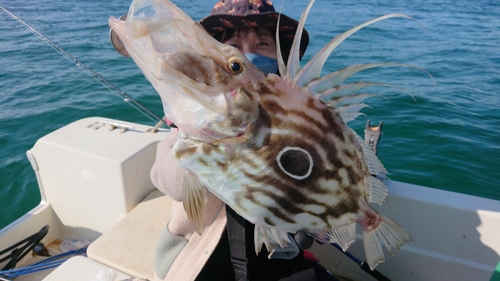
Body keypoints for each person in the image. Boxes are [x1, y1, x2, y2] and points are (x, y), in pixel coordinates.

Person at [150, 1, 337, 280]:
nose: (246, 55)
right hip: (198, 257)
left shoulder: (300, 118)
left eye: (262, 44)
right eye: (234, 46)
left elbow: (327, 171)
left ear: (281, 59)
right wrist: (203, 136)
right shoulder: (191, 116)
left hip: (275, 258)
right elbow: (172, 184)